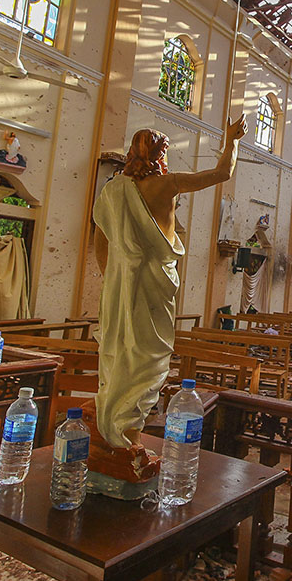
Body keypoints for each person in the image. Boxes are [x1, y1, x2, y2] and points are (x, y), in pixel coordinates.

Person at [93, 116, 246, 471]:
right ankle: (127, 440)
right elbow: (222, 173)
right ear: (159, 155)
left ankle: (117, 435)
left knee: (122, 351)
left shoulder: (113, 191)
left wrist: (115, 280)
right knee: (149, 356)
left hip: (122, 284)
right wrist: (232, 141)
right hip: (156, 282)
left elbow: (101, 242)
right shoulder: (168, 184)